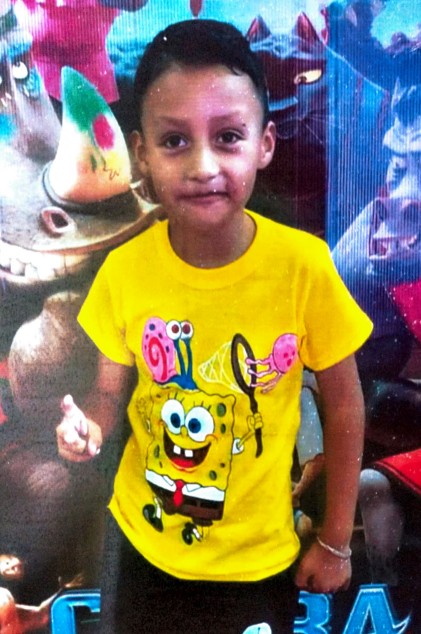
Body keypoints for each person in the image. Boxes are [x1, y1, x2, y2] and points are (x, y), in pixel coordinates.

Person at [56, 19, 373, 633]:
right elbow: (106, 395)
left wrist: (336, 540)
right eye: (175, 141)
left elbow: (344, 405)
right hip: (142, 550)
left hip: (257, 565)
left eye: (228, 137)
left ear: (265, 144)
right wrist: (85, 428)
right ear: (141, 152)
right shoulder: (124, 271)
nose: (203, 165)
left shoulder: (303, 267)